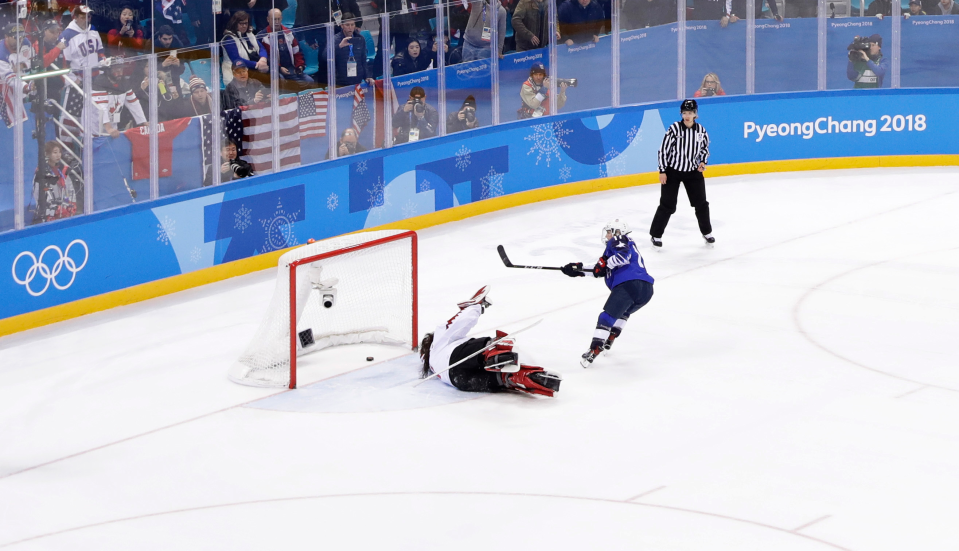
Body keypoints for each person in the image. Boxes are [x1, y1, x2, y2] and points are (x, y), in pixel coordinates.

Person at [419, 285, 562, 397]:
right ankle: (494, 356)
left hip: (460, 381)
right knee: (488, 346)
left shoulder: (435, 368)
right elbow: (457, 323)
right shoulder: (437, 343)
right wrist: (476, 306)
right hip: (455, 357)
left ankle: (520, 377)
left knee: (503, 378)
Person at [561, 220, 655, 367]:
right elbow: (601, 269)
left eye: (609, 232)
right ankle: (611, 337)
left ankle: (594, 349)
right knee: (623, 313)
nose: (607, 235)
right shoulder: (622, 247)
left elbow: (622, 258)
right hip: (646, 290)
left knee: (607, 316)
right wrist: (578, 270)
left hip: (629, 284)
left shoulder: (619, 239)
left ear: (618, 231)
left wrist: (604, 265)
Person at [650, 99, 714, 248]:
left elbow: (705, 149)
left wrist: (703, 162)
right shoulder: (674, 129)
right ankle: (656, 234)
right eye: (685, 112)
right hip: (673, 172)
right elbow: (663, 150)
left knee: (701, 204)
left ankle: (707, 232)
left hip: (693, 172)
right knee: (668, 205)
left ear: (695, 114)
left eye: (690, 113)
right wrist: (662, 170)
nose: (687, 115)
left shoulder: (701, 131)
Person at [92, 63, 147, 135]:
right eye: (116, 69)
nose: (120, 72)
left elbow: (133, 103)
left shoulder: (124, 82)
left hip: (113, 127)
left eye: (121, 69)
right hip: (94, 128)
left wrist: (143, 122)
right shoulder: (100, 82)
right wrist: (108, 128)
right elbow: (101, 108)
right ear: (108, 70)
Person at [32, 141, 80, 224]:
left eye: (60, 152)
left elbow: (70, 189)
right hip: (48, 213)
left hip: (64, 211)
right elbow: (37, 193)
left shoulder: (63, 170)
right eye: (55, 152)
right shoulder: (41, 171)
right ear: (47, 154)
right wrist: (47, 208)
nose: (58, 155)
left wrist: (72, 204)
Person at [258, 8, 310, 85]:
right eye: (274, 19)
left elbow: (297, 52)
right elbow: (266, 58)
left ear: (282, 18)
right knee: (282, 83)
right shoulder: (261, 36)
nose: (276, 22)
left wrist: (300, 66)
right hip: (274, 70)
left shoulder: (289, 33)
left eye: (278, 19)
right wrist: (279, 68)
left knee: (309, 81)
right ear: (268, 19)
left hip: (291, 68)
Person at [220, 11, 268, 86]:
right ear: (235, 24)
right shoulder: (229, 39)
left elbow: (261, 48)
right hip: (235, 69)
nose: (244, 26)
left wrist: (263, 59)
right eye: (241, 23)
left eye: (246, 23)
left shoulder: (249, 34)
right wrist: (257, 65)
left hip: (251, 67)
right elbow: (236, 59)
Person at [331, 13, 376, 86]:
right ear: (342, 26)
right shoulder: (335, 39)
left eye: (352, 25)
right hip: (341, 80)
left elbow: (363, 59)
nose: (350, 27)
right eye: (347, 25)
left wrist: (367, 76)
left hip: (357, 78)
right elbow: (325, 56)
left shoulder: (360, 39)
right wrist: (339, 46)